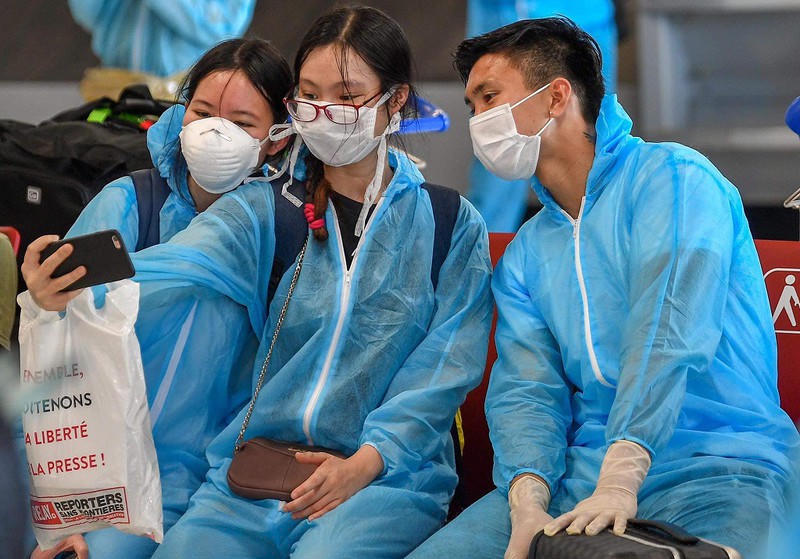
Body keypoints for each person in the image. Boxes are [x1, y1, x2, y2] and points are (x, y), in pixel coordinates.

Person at [409, 17, 800, 559]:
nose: (478, 120)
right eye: (472, 106)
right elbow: (527, 389)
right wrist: (528, 495)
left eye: (489, 97)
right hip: (577, 479)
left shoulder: (675, 178)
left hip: (718, 466)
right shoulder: (526, 253)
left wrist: (623, 475)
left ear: (556, 97)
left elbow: (668, 331)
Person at [122, 6, 492, 558]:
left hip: (387, 480)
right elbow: (167, 268)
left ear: (395, 101)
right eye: (310, 95)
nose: (325, 112)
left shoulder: (448, 224)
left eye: (347, 95)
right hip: (259, 473)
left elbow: (442, 371)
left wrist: (366, 463)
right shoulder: (266, 210)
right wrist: (72, 279)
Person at [20, 38, 293, 559]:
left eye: (242, 123)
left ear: (277, 138)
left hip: (209, 487)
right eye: (203, 113)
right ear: (180, 113)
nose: (216, 133)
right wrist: (45, 302)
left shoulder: (279, 231)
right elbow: (59, 363)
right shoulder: (132, 204)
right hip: (96, 471)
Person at [466, 0, 619, 233]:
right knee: (506, 145)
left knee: (594, 141)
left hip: (592, 17)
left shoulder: (662, 176)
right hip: (517, 16)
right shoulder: (528, 250)